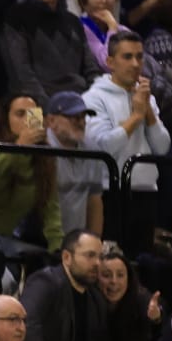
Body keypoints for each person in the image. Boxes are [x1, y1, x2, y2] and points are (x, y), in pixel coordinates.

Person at [84, 31, 170, 256]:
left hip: (146, 191)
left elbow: (162, 147)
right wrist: (135, 117)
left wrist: (148, 112)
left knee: (140, 263)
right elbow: (103, 147)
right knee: (110, 260)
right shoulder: (94, 98)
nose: (135, 64)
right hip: (110, 192)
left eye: (140, 57)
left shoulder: (147, 98)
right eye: (127, 57)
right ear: (110, 62)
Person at [0, 94, 65, 263]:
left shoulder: (43, 158)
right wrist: (19, 147)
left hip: (6, 238)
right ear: (5, 119)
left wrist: (58, 250)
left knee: (41, 262)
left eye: (32, 114)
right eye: (20, 114)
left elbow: (50, 209)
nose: (27, 120)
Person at [0, 0, 103, 99]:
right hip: (37, 102)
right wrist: (51, 108)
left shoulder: (73, 21)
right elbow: (22, 76)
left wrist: (96, 98)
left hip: (80, 101)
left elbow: (91, 69)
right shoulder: (15, 18)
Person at [45, 90, 106, 237]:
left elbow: (94, 200)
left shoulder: (92, 150)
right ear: (51, 121)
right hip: (38, 238)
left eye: (83, 117)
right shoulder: (40, 149)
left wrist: (94, 241)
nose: (81, 122)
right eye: (73, 117)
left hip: (75, 240)